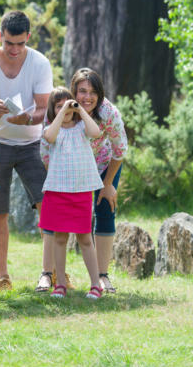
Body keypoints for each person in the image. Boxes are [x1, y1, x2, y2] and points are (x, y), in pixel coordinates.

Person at [0, 10, 54, 291]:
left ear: (28, 38)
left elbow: (43, 109)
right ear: (0, 36)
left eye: (20, 44)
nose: (14, 50)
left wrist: (28, 118)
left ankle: (50, 272)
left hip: (31, 143)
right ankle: (3, 276)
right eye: (8, 43)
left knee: (47, 204)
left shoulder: (39, 63)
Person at [39, 87, 103, 299]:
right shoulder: (52, 129)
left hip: (81, 191)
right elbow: (49, 137)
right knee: (59, 238)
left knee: (85, 238)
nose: (65, 108)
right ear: (53, 110)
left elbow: (96, 133)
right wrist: (60, 113)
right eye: (59, 106)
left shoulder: (82, 128)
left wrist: (79, 110)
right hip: (58, 191)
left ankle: (96, 284)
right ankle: (60, 284)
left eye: (68, 104)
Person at [69, 67, 128, 293]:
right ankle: (53, 273)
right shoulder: (65, 109)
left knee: (105, 211)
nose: (87, 97)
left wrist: (108, 183)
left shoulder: (108, 113)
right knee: (64, 217)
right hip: (73, 167)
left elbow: (120, 148)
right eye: (82, 91)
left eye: (93, 92)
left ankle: (103, 276)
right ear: (74, 91)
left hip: (104, 165)